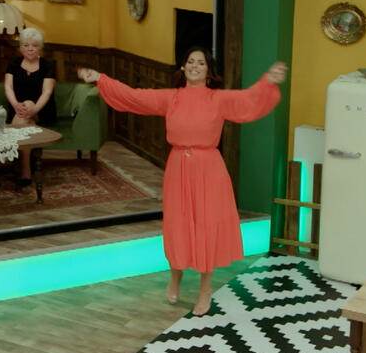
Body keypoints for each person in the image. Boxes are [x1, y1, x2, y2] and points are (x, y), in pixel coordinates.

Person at [78, 48, 287, 315]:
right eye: (190, 62)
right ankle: (175, 276)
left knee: (206, 226)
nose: (195, 66)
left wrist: (268, 81)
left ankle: (205, 289)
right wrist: (100, 78)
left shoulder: (218, 98)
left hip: (209, 169)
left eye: (201, 63)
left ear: (208, 71)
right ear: (183, 67)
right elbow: (134, 96)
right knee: (178, 224)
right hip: (178, 168)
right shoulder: (171, 97)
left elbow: (248, 100)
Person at [4, 27, 56, 186]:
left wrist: (34, 109)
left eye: (34, 45)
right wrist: (15, 105)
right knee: (24, 120)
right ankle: (26, 169)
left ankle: (18, 163)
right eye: (25, 45)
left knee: (28, 105)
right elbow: (8, 87)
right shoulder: (13, 63)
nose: (30, 49)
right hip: (17, 109)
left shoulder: (48, 65)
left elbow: (47, 92)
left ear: (40, 48)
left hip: (42, 110)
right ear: (20, 47)